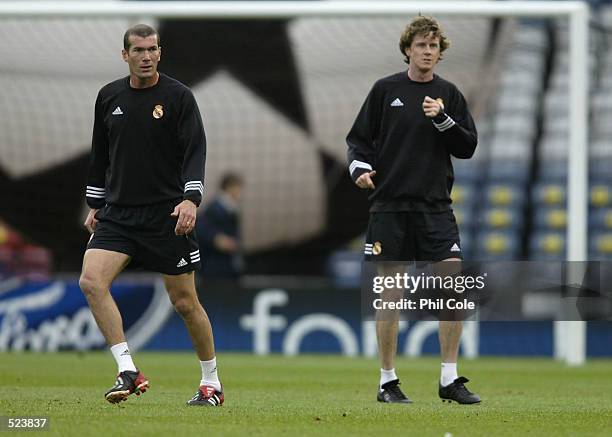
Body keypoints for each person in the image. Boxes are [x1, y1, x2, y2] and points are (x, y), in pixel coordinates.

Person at [79, 24, 223, 407]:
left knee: (184, 303)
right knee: (91, 281)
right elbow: (101, 154)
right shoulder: (108, 96)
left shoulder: (178, 97)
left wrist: (191, 198)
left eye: (152, 49)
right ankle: (128, 369)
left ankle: (211, 383)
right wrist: (96, 203)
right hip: (120, 214)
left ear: (160, 53)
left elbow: (196, 151)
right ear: (125, 55)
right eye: (138, 50)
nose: (146, 56)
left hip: (167, 215)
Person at [346, 16, 480, 404]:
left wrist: (442, 118)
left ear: (440, 52)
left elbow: (467, 146)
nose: (427, 52)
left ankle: (449, 378)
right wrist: (359, 168)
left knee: (453, 287)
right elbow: (358, 141)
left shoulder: (448, 95)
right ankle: (387, 381)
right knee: (391, 295)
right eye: (420, 45)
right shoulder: (385, 90)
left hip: (436, 207)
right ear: (408, 49)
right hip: (390, 206)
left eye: (433, 46)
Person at [197, 173, 243, 280]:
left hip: (226, 265)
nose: (240, 193)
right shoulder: (215, 208)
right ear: (229, 187)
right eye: (238, 188)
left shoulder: (232, 209)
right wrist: (216, 239)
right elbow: (201, 229)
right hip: (215, 267)